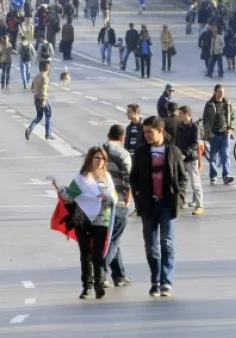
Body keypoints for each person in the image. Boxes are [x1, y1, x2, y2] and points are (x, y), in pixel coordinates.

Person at [130, 116, 186, 298]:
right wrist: (138, 198)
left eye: (149, 132)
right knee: (151, 246)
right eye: (144, 132)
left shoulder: (173, 151)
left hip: (167, 205)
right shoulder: (140, 152)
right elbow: (134, 178)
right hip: (148, 205)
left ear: (160, 131)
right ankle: (155, 280)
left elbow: (182, 177)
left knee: (166, 243)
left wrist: (179, 200)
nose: (146, 135)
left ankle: (166, 282)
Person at [54, 146, 116, 299]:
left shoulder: (107, 177)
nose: (100, 161)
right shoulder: (81, 178)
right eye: (97, 157)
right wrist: (60, 189)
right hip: (82, 218)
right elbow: (70, 197)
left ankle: (99, 285)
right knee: (85, 253)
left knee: (98, 253)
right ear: (90, 159)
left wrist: (106, 197)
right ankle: (86, 286)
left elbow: (113, 198)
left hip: (101, 218)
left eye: (102, 158)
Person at [102, 124, 133, 288]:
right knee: (113, 239)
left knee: (112, 238)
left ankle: (119, 275)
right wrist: (127, 202)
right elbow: (128, 181)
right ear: (122, 138)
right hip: (117, 201)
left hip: (100, 202)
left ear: (108, 135)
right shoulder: (123, 154)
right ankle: (100, 273)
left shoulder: (98, 152)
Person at [203, 84, 235, 185]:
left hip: (225, 134)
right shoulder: (209, 104)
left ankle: (226, 176)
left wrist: (231, 129)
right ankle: (213, 176)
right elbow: (205, 120)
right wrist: (209, 133)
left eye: (223, 92)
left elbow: (232, 117)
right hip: (214, 135)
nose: (221, 94)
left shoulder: (227, 103)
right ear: (215, 92)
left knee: (225, 155)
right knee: (213, 157)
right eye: (219, 91)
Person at [176, 105, 205, 215]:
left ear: (187, 114)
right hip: (180, 159)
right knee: (178, 182)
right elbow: (176, 142)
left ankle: (200, 205)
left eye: (181, 114)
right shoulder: (179, 127)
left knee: (195, 183)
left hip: (191, 159)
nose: (179, 116)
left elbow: (195, 143)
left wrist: (185, 153)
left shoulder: (195, 127)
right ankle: (178, 203)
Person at [25, 62, 53, 140]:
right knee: (48, 115)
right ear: (47, 68)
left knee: (39, 116)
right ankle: (48, 134)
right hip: (43, 99)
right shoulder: (45, 77)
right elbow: (44, 89)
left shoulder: (37, 76)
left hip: (36, 98)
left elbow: (32, 88)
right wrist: (44, 100)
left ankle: (29, 129)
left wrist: (36, 93)